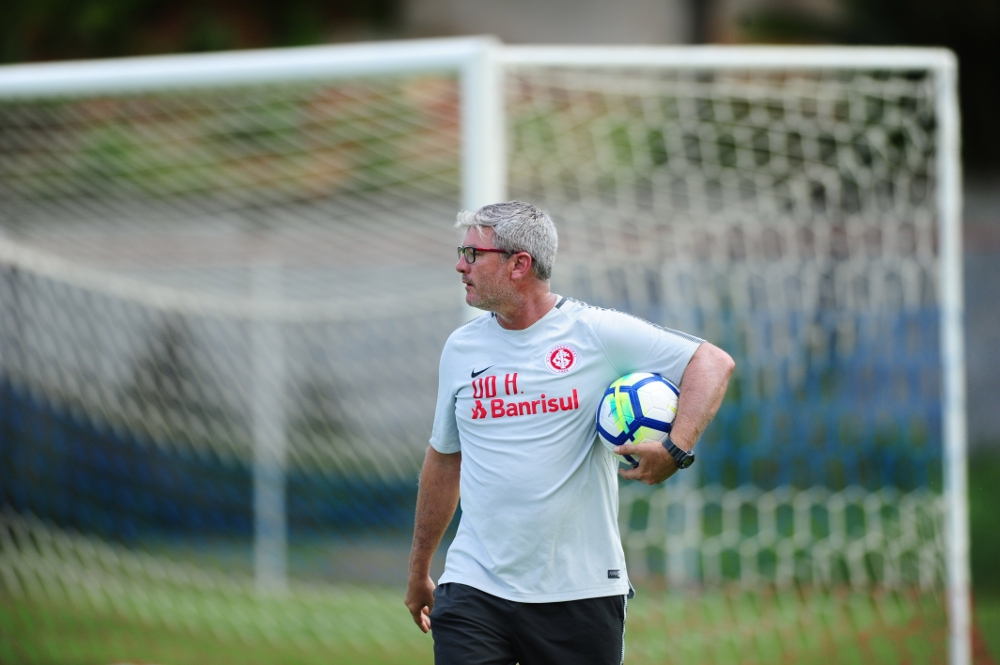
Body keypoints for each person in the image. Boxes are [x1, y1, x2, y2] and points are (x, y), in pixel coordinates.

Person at [404, 201, 734, 665]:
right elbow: (444, 458)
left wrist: (674, 448)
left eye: (472, 253)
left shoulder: (594, 333)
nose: (460, 264)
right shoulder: (461, 348)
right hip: (473, 587)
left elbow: (712, 363)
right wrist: (419, 569)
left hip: (580, 592)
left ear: (519, 264)